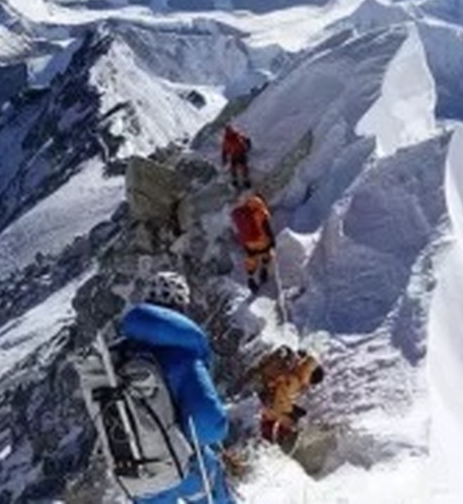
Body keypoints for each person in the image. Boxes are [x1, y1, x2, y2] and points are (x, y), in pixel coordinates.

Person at [118, 272, 235, 503]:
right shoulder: (183, 356)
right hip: (185, 465)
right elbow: (208, 425)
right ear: (181, 306)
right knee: (213, 484)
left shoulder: (121, 353)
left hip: (136, 470)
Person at [251, 346, 325, 453]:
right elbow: (280, 398)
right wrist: (288, 414)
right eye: (310, 382)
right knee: (284, 419)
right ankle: (278, 445)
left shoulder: (297, 365)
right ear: (310, 376)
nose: (308, 385)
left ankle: (268, 443)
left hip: (265, 391)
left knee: (279, 418)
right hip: (267, 397)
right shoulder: (295, 380)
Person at [231, 192, 275, 295]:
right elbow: (266, 226)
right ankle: (263, 270)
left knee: (251, 258)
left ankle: (250, 278)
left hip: (248, 242)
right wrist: (272, 240)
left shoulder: (243, 211)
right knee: (266, 253)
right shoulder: (261, 210)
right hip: (261, 240)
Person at [220, 125, 252, 191]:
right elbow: (224, 151)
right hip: (236, 154)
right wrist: (224, 159)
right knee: (236, 169)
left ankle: (243, 182)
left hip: (239, 154)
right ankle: (238, 183)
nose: (229, 132)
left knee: (242, 168)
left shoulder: (235, 135)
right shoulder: (232, 137)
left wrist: (248, 145)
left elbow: (224, 151)